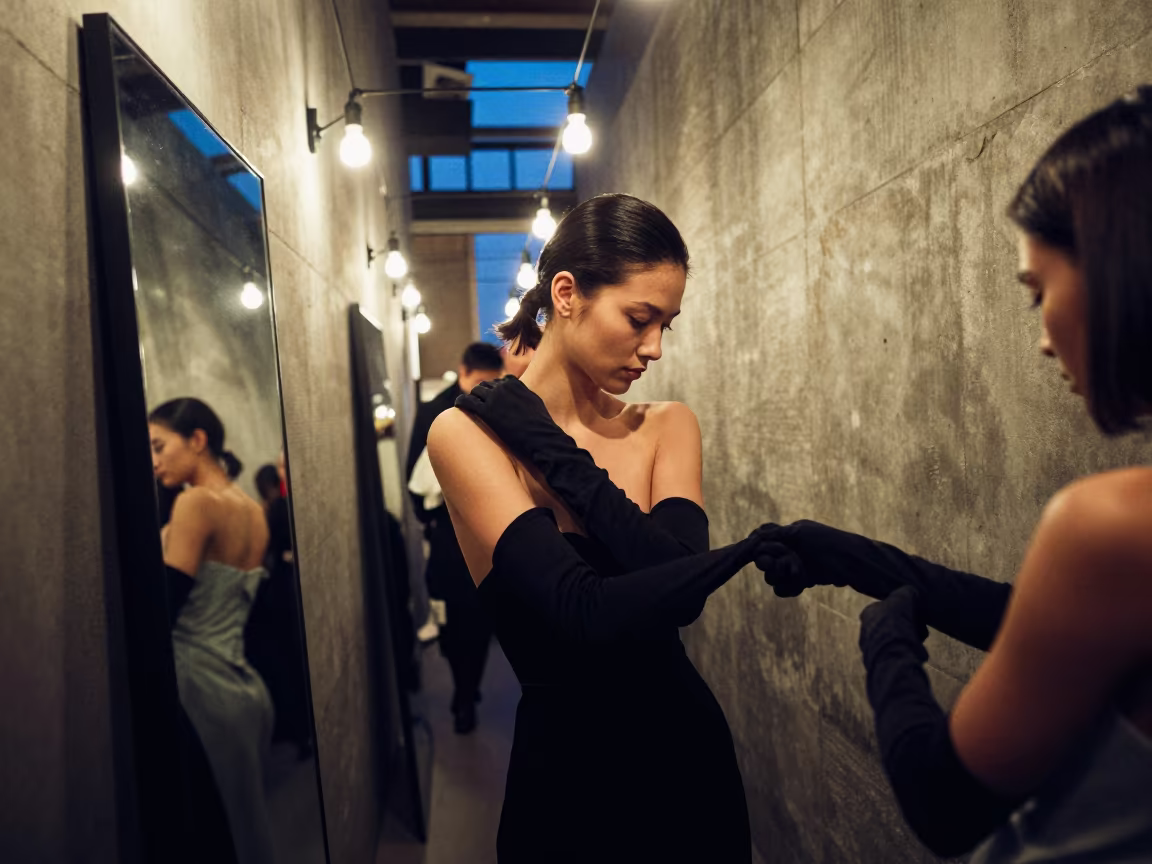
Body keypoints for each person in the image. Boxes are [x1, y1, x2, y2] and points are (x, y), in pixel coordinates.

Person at [757, 88, 1152, 861]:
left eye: (1040, 293)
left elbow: (942, 799)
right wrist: (855, 561)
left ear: (1121, 272)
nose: (1042, 340)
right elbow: (1046, 623)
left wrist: (886, 641)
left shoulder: (1112, 525)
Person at [429, 193, 779, 863]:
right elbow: (579, 611)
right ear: (566, 294)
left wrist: (550, 447)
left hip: (686, 761)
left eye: (665, 326)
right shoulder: (462, 435)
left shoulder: (666, 424)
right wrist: (541, 437)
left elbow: (683, 591)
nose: (653, 349)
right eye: (638, 318)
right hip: (566, 779)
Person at [150, 397, 276, 864]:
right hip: (245, 688)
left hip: (196, 685)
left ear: (198, 441)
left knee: (210, 836)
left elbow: (166, 600)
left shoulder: (194, 502)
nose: (155, 460)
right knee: (243, 824)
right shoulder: (253, 509)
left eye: (160, 446)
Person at [406, 342, 505, 733]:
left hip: (485, 535)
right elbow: (413, 478)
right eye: (481, 382)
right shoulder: (434, 412)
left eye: (492, 383)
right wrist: (432, 517)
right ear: (463, 372)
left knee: (479, 622)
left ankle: (467, 692)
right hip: (447, 536)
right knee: (450, 627)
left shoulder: (498, 408)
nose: (485, 389)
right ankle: (463, 683)